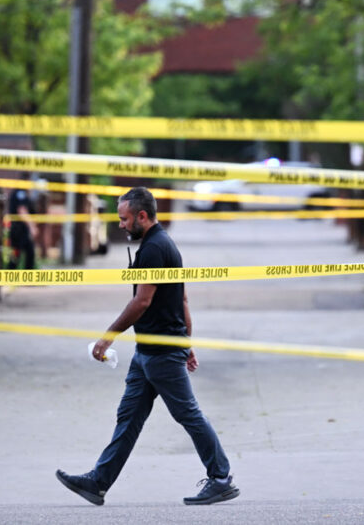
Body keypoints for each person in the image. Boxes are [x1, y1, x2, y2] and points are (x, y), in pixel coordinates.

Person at [56, 187, 239, 506]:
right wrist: (187, 342)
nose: (121, 225)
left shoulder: (155, 248)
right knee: (128, 417)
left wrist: (108, 336)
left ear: (142, 216)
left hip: (161, 351)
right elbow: (181, 298)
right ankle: (98, 482)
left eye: (124, 219)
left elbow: (142, 301)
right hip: (149, 352)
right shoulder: (161, 244)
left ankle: (221, 477)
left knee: (188, 414)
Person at [6, 174, 38, 269]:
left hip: (21, 230)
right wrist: (32, 227)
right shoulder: (21, 193)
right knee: (18, 255)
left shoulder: (21, 193)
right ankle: (11, 274)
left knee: (28, 253)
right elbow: (22, 211)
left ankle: (23, 275)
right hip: (18, 230)